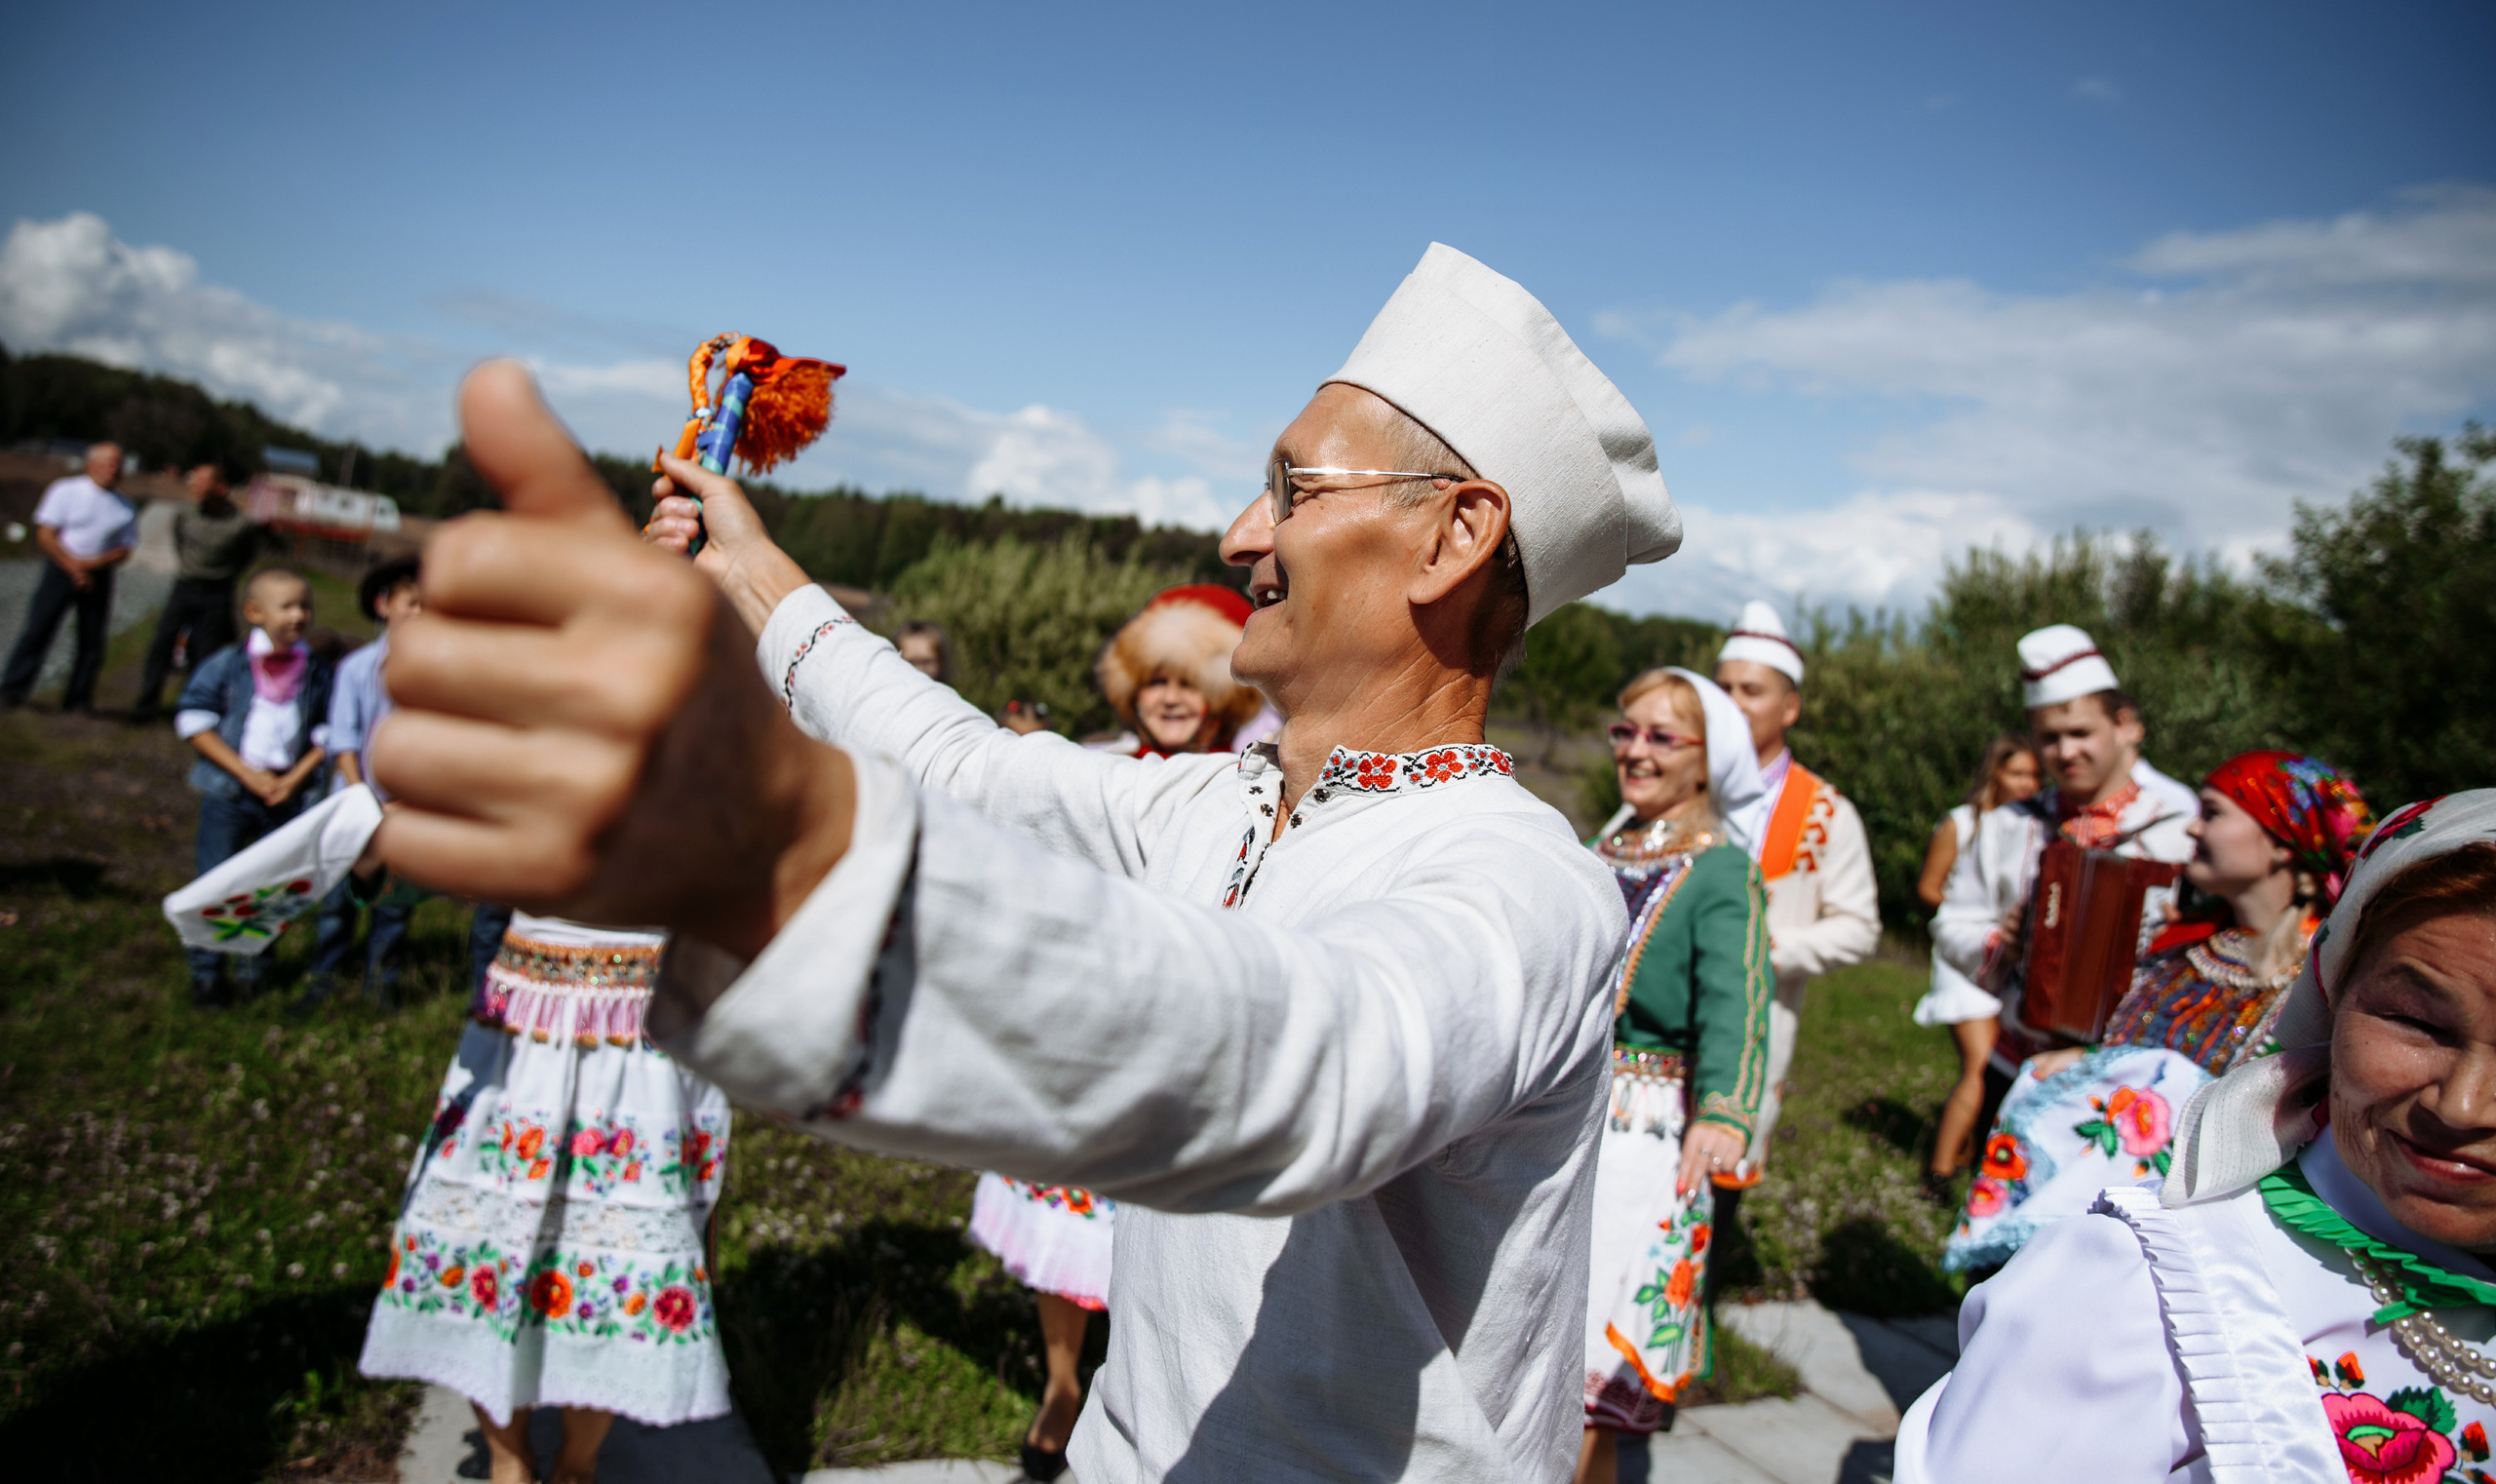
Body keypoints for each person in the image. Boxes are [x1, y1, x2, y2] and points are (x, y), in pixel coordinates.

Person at [371, 240, 1687, 1481]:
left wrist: (775, 845)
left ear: (1454, 537)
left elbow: (1326, 1059)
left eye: (1291, 488)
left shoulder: (1522, 883)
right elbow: (962, 762)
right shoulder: (1211, 807)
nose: (1240, 534)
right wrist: (750, 570)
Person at [1894, 790, 2496, 1483]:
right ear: (2331, 998)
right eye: (2417, 1022)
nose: (2462, 1103)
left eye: (2217, 811)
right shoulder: (2150, 1297)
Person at [973, 582, 1262, 1477]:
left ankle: (1155, 1388)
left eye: (1192, 680)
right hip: (1085, 1039)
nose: (1172, 698)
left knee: (1174, 1246)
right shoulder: (1094, 771)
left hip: (1197, 1052)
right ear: (1129, 686)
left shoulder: (1256, 788)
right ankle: (1063, 1382)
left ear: (1224, 692)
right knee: (1068, 1218)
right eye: (1155, 680)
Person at [1941, 750, 2373, 1272]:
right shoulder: (2182, 948)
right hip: (2073, 1236)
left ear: (2282, 845)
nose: (2192, 826)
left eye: (2213, 813)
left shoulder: (2326, 987)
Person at [359, 911, 733, 1484]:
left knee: (615, 1256)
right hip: (530, 1010)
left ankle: (575, 1467)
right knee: (488, 1237)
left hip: (647, 1007)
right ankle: (510, 1461)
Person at [1577, 668, 1770, 1483]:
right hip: (1567, 1114)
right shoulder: (1599, 848)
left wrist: (1724, 1111)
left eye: (1662, 736)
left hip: (1643, 1138)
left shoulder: (1721, 871)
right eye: (1627, 730)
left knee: (1588, 1367)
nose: (1637, 750)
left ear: (1707, 760)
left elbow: (1738, 998)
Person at [1979, 625, 2198, 1096]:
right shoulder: (2012, 823)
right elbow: (1957, 921)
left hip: (2129, 1065)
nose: (2065, 752)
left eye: (2080, 733)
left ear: (2126, 725)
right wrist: (2003, 941)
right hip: (2019, 1055)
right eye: (2049, 738)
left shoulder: (2179, 825)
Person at [1711, 600, 1880, 1187]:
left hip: (1754, 1027)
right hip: (1650, 1035)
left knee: (1719, 1178)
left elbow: (1858, 927)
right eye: (1723, 686)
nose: (1732, 702)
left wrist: (1762, 949)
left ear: (1790, 708)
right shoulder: (1677, 782)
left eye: (1750, 690)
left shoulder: (1827, 812)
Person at [174, 567, 335, 1007]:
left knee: (270, 885)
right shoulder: (227, 664)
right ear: (254, 612)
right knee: (217, 880)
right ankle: (207, 974)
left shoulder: (317, 670)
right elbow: (194, 719)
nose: (299, 615)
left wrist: (293, 780)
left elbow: (326, 732)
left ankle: (253, 970)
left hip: (284, 796)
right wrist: (247, 774)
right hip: (231, 792)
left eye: (305, 606)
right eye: (287, 606)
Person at [1915, 734, 2043, 1187]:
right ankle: (1940, 1172)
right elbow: (1931, 887)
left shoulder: (2036, 830)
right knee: (1980, 1063)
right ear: (1995, 774)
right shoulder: (1963, 823)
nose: (2028, 783)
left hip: (2006, 967)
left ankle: (1972, 1154)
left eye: (2034, 775)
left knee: (1994, 1066)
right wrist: (1980, 921)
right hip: (1964, 957)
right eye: (2017, 773)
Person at [298, 556, 424, 1014]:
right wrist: (360, 795)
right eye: (412, 603)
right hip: (353, 802)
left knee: (394, 904)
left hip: (405, 809)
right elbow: (343, 738)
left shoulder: (436, 677)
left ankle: (382, 986)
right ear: (383, 605)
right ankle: (324, 979)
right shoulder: (356, 668)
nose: (420, 614)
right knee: (336, 903)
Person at [1, 442, 137, 714]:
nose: (113, 468)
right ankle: (13, 690)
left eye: (118, 464)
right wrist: (73, 566)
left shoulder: (125, 506)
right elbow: (46, 533)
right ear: (92, 463)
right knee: (39, 629)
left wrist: (93, 565)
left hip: (98, 576)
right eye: (108, 462)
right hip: (60, 570)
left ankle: (77, 700)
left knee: (91, 640)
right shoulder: (66, 490)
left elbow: (124, 548)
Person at [132, 459, 265, 722]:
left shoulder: (240, 525)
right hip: (185, 586)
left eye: (202, 481)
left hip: (217, 591)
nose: (195, 485)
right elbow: (182, 544)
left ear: (219, 487)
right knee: (162, 644)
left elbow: (245, 557)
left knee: (206, 653)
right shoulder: (185, 516)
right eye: (194, 480)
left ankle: (195, 709)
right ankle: (146, 706)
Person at [1094, 584, 1266, 758]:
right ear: (1133, 692)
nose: (1171, 699)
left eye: (1188, 684)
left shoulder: (1251, 781)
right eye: (1157, 682)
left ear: (1229, 698)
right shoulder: (1102, 774)